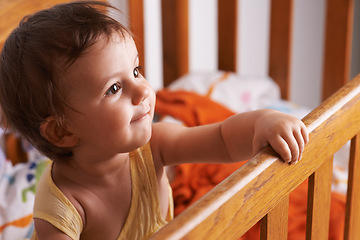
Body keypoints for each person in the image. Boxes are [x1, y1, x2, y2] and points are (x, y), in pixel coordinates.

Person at [0, 1, 309, 239]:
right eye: (114, 88)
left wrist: (262, 122)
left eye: (136, 71)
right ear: (62, 130)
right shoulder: (62, 205)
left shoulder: (154, 146)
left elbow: (224, 139)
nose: (143, 89)